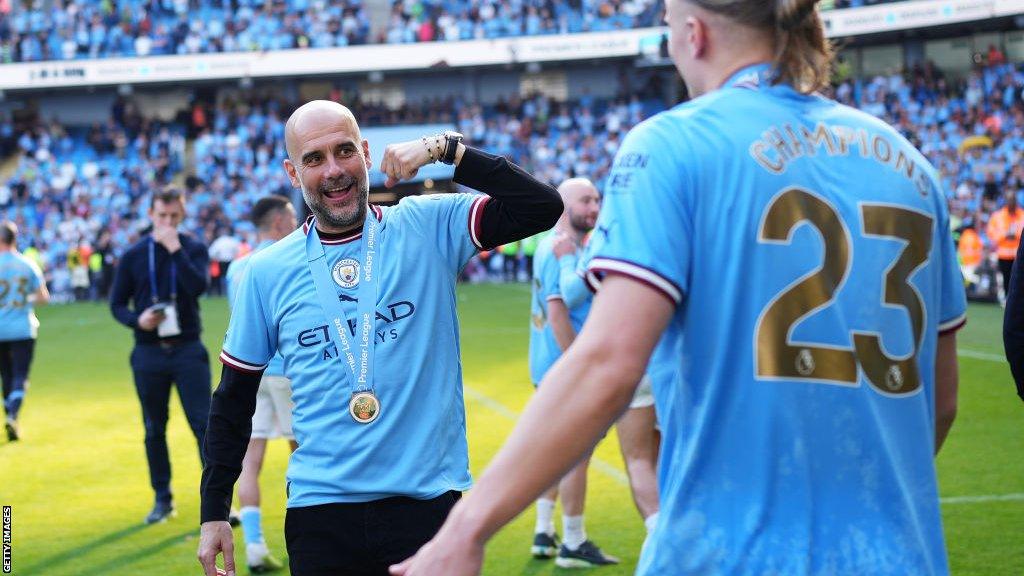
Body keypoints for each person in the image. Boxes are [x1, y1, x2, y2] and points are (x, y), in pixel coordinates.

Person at [391, 1, 966, 575]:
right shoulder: (911, 166)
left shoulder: (674, 144)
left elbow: (607, 364)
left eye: (666, 25)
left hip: (731, 553)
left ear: (694, 33)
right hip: (899, 554)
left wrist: (465, 530)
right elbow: (940, 404)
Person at [197, 100, 561, 576]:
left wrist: (447, 150)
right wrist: (213, 510)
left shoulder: (428, 226)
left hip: (426, 504)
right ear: (292, 173)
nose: (333, 170)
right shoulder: (266, 272)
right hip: (320, 515)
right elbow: (233, 398)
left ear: (366, 153)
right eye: (314, 159)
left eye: (344, 151)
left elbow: (542, 207)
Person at [526, 178, 617, 568]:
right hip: (564, 368)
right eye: (585, 200)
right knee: (577, 455)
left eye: (597, 199)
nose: (594, 207)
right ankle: (574, 542)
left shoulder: (567, 246)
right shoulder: (557, 248)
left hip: (553, 366)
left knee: (558, 452)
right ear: (564, 205)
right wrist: (580, 368)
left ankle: (544, 531)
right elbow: (558, 316)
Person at [110, 187, 212, 525]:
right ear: (151, 214)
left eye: (174, 216)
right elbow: (116, 304)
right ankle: (162, 499)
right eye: (162, 215)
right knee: (154, 427)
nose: (168, 222)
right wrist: (136, 320)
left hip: (188, 349)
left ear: (182, 215)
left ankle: (217, 503)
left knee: (203, 425)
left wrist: (175, 249)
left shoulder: (193, 248)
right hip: (149, 351)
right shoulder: (134, 254)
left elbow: (199, 287)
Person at [224, 195, 299, 574]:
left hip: (251, 374)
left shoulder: (236, 267)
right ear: (279, 221)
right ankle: (306, 539)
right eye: (292, 217)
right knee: (305, 456)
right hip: (290, 371)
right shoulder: (292, 257)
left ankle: (254, 546)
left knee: (250, 463)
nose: (296, 223)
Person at [0, 221, 49, 441]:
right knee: (21, 374)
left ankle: (10, 415)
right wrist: (23, 301)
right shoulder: (27, 265)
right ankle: (13, 415)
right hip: (22, 327)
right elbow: (43, 297)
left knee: (6, 374)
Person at [986, 190, 1024, 304]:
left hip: (1019, 254)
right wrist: (1005, 235)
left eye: (1013, 200)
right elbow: (991, 233)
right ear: (1006, 201)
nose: (1011, 202)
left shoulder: (1022, 215)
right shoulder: (998, 216)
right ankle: (1008, 301)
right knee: (1006, 279)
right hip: (1004, 255)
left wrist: (1016, 235)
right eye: (1009, 200)